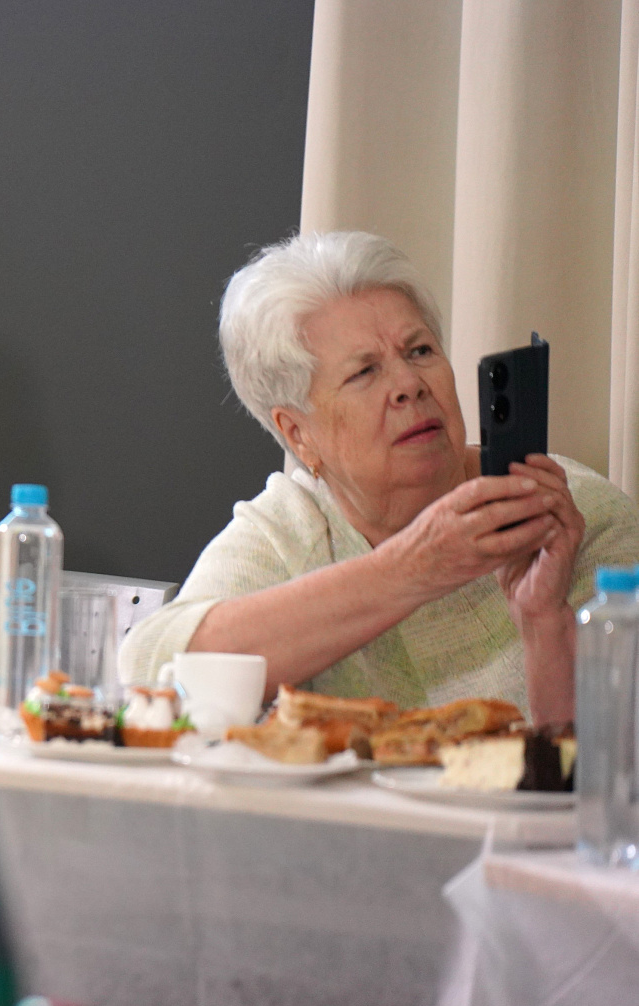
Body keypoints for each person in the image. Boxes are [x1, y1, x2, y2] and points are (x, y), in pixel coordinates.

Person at [120, 231, 639, 729]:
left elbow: (616, 763)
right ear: (299, 435)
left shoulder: (568, 513)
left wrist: (543, 621)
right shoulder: (293, 530)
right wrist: (413, 568)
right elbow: (152, 666)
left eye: (419, 351)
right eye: (364, 372)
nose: (409, 385)